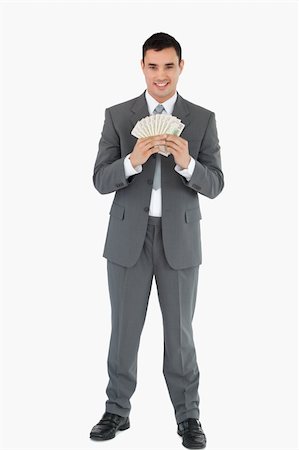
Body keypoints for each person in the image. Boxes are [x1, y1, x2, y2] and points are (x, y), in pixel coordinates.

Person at [90, 32, 224, 449]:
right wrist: (133, 160)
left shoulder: (202, 119)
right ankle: (116, 410)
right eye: (153, 66)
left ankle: (189, 416)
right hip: (129, 239)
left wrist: (187, 164)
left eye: (169, 66)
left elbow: (216, 184)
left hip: (180, 241)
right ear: (142, 66)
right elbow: (99, 179)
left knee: (180, 334)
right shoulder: (118, 115)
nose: (161, 75)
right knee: (124, 330)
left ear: (180, 67)